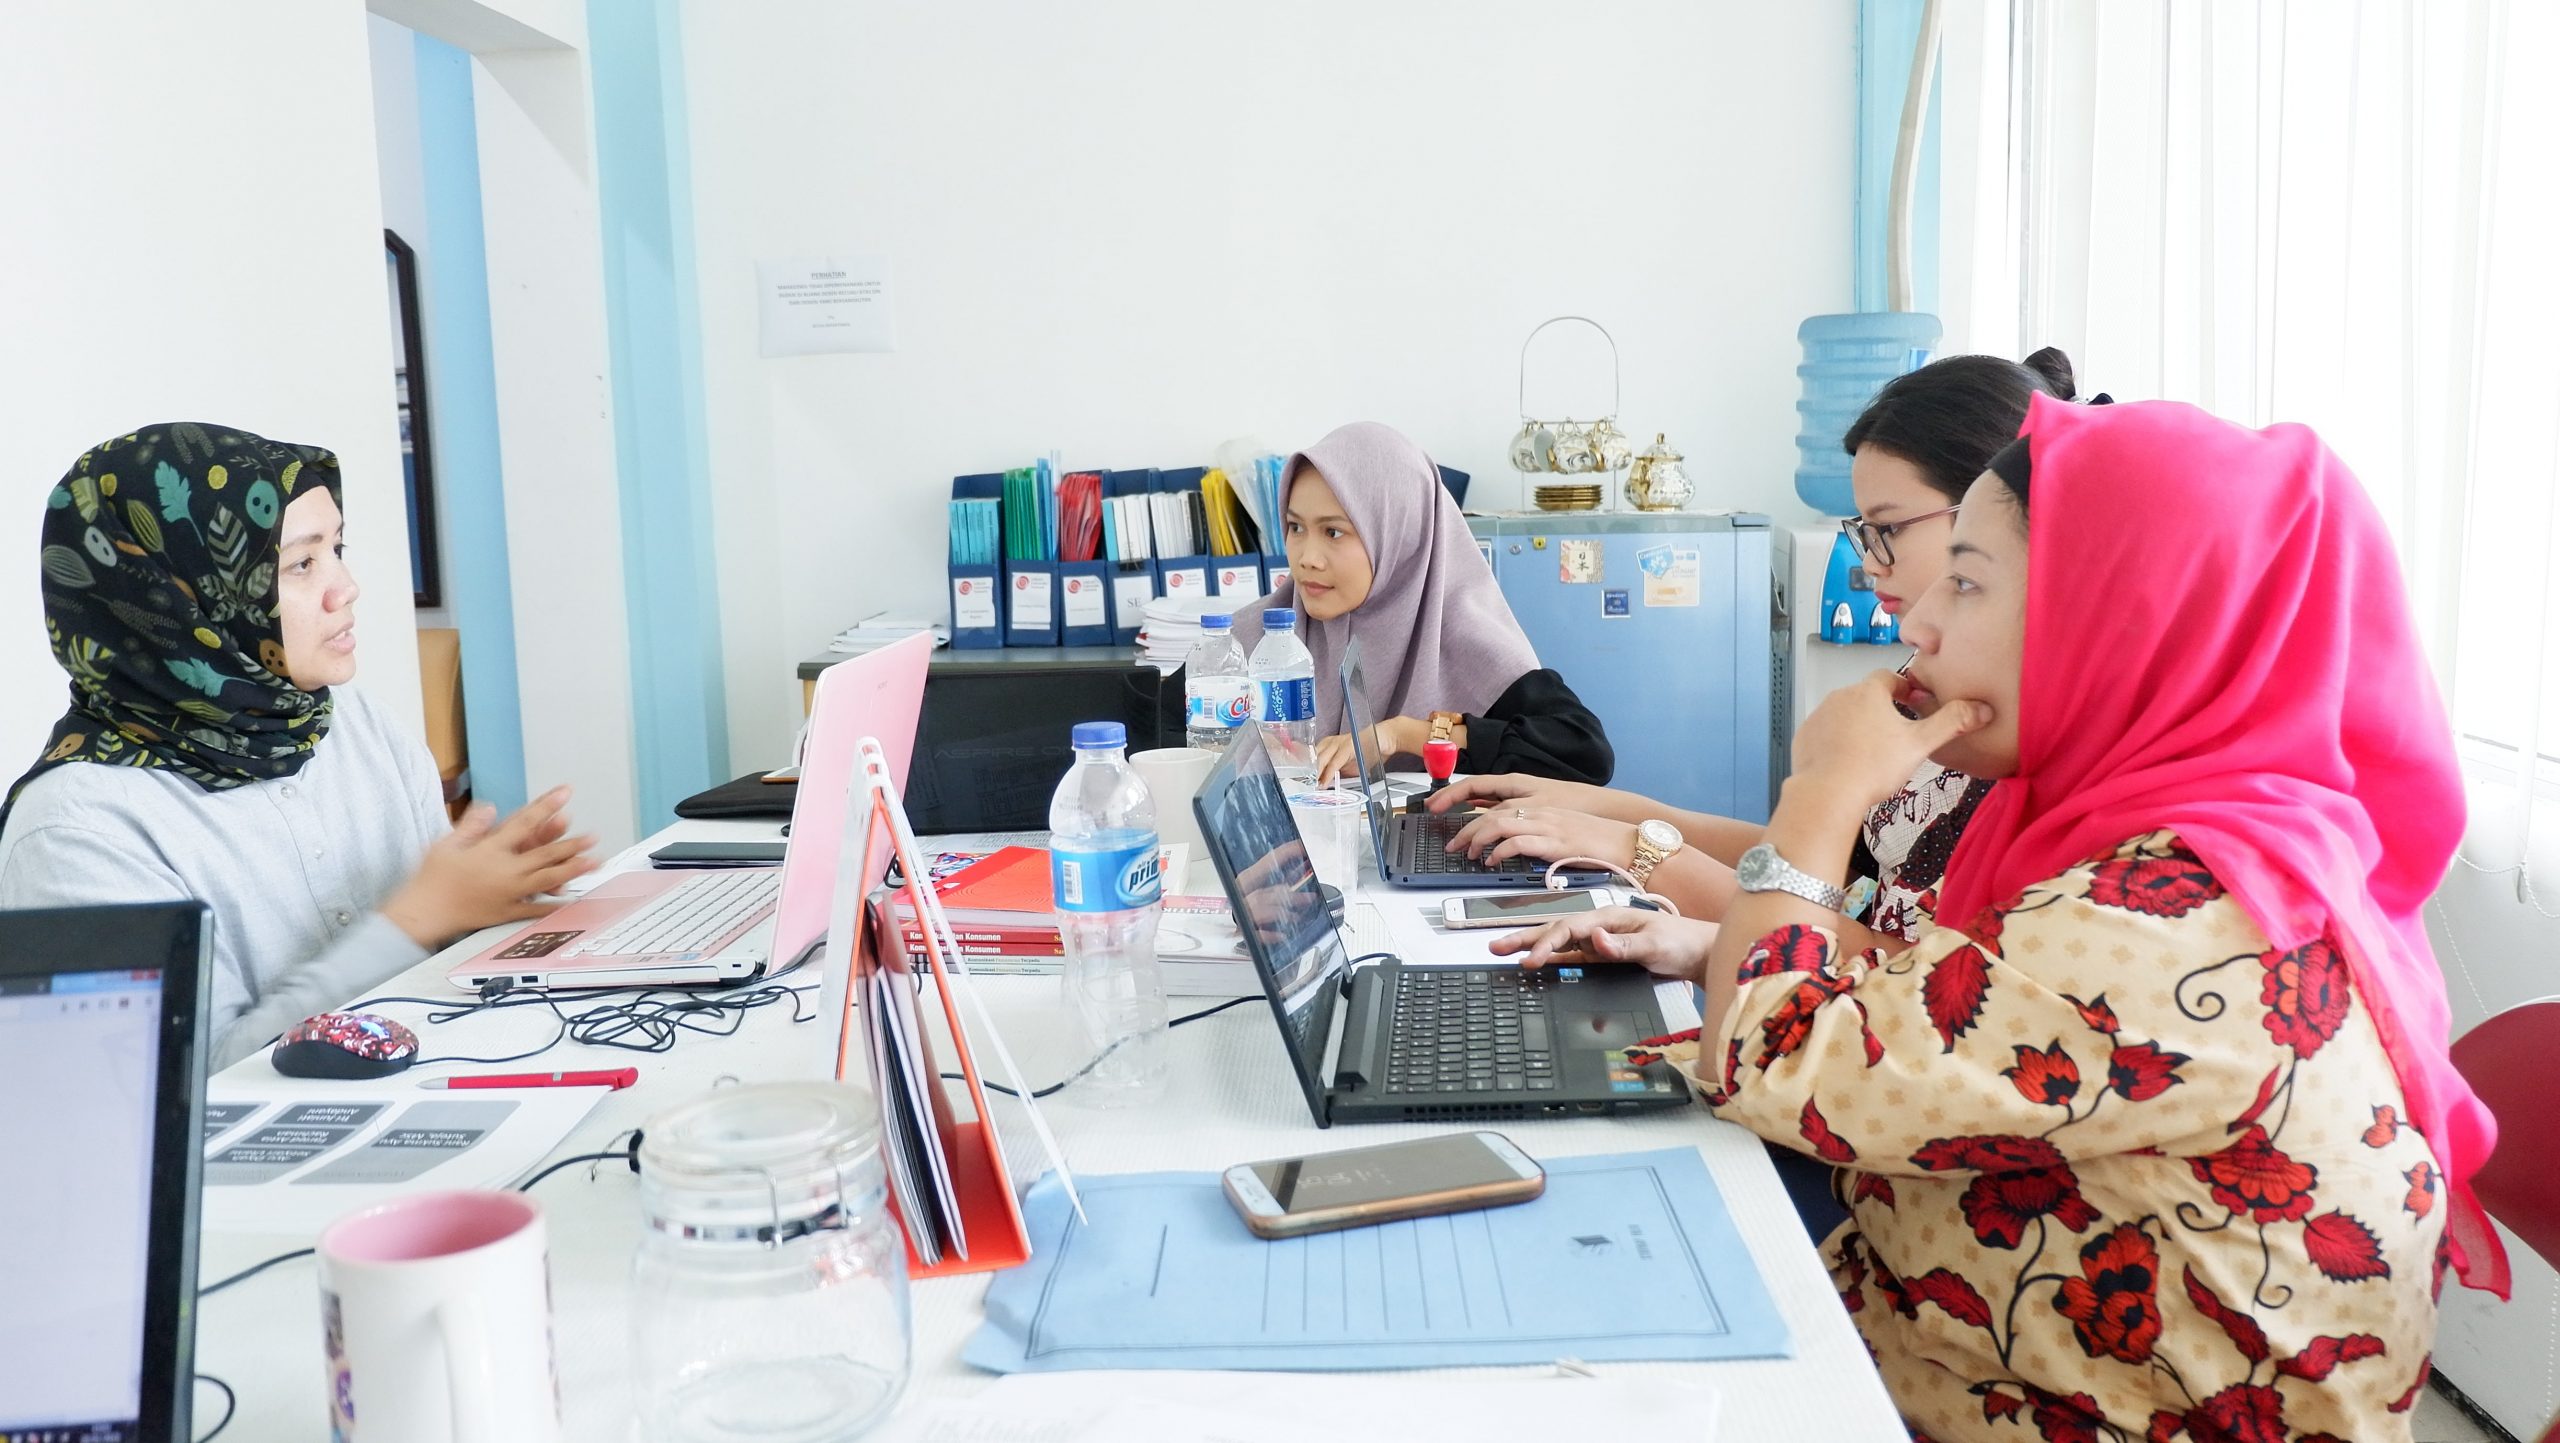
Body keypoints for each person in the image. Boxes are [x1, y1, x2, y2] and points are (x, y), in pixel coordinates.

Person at [1495, 395, 2507, 1441]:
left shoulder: (2187, 911)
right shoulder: (2149, 830)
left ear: (2122, 617)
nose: (1915, 618)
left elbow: (1770, 1063)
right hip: (1943, 1324)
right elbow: (1907, 1008)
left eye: (1966, 580)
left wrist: (1821, 795)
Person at [0, 423, 598, 1069]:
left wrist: (504, 902)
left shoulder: (349, 720)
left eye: (338, 548)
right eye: (302, 563)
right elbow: (186, 1090)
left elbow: (442, 963)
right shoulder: (76, 829)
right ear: (178, 595)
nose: (347, 587)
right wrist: (420, 916)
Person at [1431, 350, 2078, 935]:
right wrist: (1601, 811)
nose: (1869, 563)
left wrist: (1636, 850)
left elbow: (1891, 966)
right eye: (1861, 531)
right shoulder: (1933, 685)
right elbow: (1817, 863)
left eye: (1887, 529)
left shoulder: (2013, 734)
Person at [1227, 421, 1612, 788]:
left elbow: (1586, 755)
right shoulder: (1262, 633)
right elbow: (1178, 734)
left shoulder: (1463, 634)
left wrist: (1402, 735)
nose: (1307, 557)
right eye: (1296, 527)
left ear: (1400, 535)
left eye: (1333, 531)